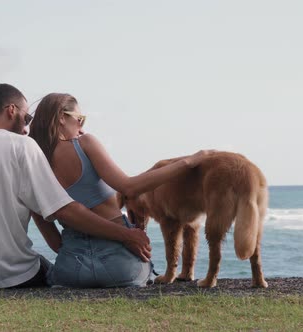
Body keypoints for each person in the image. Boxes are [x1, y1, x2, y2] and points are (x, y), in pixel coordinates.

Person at [0, 84, 151, 290]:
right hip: (3, 276)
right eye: (27, 118)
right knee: (46, 269)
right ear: (11, 111)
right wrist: (127, 235)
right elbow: (64, 210)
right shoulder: (21, 146)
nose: (26, 128)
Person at [28, 93, 215, 288]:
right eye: (79, 120)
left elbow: (55, 243)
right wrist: (189, 161)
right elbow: (129, 187)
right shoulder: (85, 144)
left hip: (71, 270)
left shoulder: (33, 166)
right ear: (61, 117)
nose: (81, 128)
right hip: (120, 266)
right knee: (145, 272)